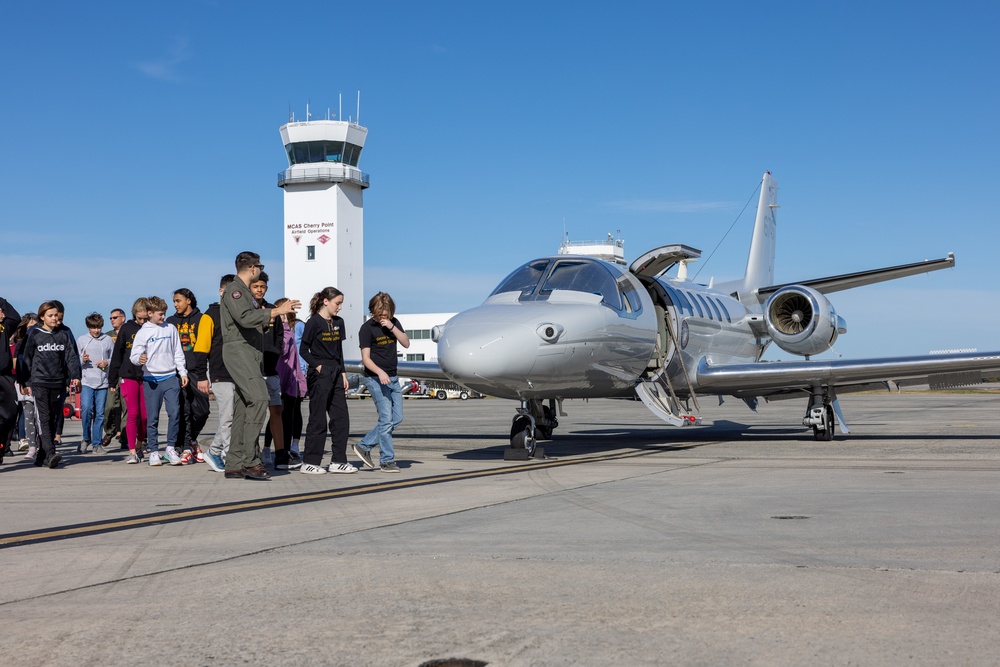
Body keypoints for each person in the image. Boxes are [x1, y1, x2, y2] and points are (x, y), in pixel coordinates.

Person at [219, 252, 299, 480]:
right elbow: (244, 317)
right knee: (260, 398)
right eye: (259, 267)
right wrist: (276, 311)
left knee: (244, 405)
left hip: (250, 351)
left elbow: (249, 320)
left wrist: (267, 319)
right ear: (253, 268)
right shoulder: (236, 291)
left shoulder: (245, 293)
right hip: (239, 350)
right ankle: (250, 461)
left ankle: (234, 462)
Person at [299, 286, 354, 475]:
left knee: (341, 419)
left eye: (341, 304)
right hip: (320, 373)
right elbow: (303, 351)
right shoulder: (313, 323)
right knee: (318, 419)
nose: (339, 307)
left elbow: (339, 350)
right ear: (326, 301)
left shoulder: (339, 322)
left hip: (337, 372)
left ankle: (338, 461)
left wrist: (344, 373)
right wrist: (318, 366)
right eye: (337, 303)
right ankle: (310, 462)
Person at [19, 300, 81, 468]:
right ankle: (51, 452)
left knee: (54, 417)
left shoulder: (64, 334)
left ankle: (42, 455)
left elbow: (71, 356)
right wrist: (25, 380)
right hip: (40, 382)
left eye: (56, 315)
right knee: (44, 417)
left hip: (59, 382)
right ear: (42, 317)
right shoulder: (34, 334)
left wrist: (75, 375)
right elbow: (26, 358)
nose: (54, 318)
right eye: (50, 315)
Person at [353, 292, 410, 473]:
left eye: (386, 315)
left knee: (397, 418)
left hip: (393, 377)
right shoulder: (367, 328)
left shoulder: (394, 323)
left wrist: (392, 327)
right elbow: (366, 359)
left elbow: (406, 343)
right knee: (386, 420)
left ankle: (364, 445)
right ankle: (387, 460)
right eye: (380, 315)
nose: (383, 318)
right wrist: (380, 372)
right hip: (375, 379)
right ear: (373, 312)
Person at [130, 296, 188, 467]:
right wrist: (139, 359)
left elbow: (178, 352)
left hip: (171, 376)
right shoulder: (143, 332)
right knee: (153, 417)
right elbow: (134, 356)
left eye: (164, 314)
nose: (163, 317)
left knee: (175, 413)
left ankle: (170, 448)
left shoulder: (170, 329)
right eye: (160, 314)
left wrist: (182, 372)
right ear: (150, 313)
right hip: (151, 379)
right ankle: (154, 451)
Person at [250, 272, 297, 469]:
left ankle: (280, 452)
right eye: (256, 286)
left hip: (271, 369)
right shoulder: (245, 309)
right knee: (254, 413)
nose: (259, 289)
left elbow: (279, 335)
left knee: (276, 409)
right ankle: (253, 451)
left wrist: (275, 352)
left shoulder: (273, 311)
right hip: (252, 370)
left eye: (262, 286)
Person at [193, 274, 236, 472]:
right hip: (219, 373)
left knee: (235, 416)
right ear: (221, 291)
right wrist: (202, 376)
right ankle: (230, 456)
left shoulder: (239, 313)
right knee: (227, 417)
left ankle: (215, 450)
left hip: (239, 373)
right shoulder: (209, 315)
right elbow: (201, 348)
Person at [168, 288, 211, 464]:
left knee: (202, 411)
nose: (175, 304)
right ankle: (184, 446)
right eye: (174, 301)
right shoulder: (170, 322)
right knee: (183, 411)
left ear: (188, 301)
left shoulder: (201, 319)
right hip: (176, 373)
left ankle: (191, 440)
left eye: (178, 301)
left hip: (196, 371)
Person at [109, 298, 150, 464]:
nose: (142, 322)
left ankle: (140, 445)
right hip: (128, 376)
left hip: (147, 377)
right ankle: (132, 451)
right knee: (133, 414)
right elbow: (117, 355)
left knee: (146, 417)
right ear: (134, 315)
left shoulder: (153, 329)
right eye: (139, 318)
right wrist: (112, 380)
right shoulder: (127, 329)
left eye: (145, 319)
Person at [76, 312, 114, 454]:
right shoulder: (81, 340)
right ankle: (86, 438)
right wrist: (83, 359)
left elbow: (114, 358)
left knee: (99, 414)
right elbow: (75, 359)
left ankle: (97, 444)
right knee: (86, 409)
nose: (96, 330)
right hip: (86, 381)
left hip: (102, 382)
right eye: (93, 327)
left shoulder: (108, 339)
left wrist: (106, 362)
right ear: (88, 327)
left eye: (98, 327)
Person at [275, 298, 307, 467]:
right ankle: (279, 448)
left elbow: (303, 349)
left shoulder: (299, 326)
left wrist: (304, 370)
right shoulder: (278, 327)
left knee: (295, 411)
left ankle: (293, 444)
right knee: (281, 412)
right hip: (284, 373)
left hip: (297, 372)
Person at [11, 313, 38, 459]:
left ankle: (43, 445)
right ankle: (31, 445)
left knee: (41, 417)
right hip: (26, 383)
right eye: (30, 327)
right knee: (28, 415)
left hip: (41, 382)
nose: (32, 330)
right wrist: (22, 381)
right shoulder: (21, 343)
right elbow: (18, 364)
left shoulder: (42, 340)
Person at [101, 308, 128, 450]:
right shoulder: (107, 336)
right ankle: (109, 432)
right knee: (110, 406)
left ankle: (124, 436)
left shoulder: (130, 332)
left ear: (123, 318)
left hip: (126, 374)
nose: (112, 320)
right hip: (112, 375)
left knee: (127, 407)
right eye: (111, 318)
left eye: (115, 317)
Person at [0, 297, 22, 461]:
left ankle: (2, 444)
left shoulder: (3, 327)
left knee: (11, 413)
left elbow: (15, 317)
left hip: (5, 375)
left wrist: (1, 301)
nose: (2, 314)